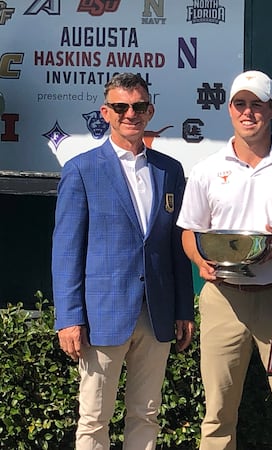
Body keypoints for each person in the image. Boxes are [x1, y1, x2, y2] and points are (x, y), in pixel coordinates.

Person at [177, 70, 272, 450]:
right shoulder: (207, 169)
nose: (248, 112)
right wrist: (201, 260)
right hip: (223, 298)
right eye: (240, 104)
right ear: (230, 109)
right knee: (216, 412)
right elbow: (189, 231)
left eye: (257, 104)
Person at [52, 72, 195, 450]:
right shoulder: (81, 170)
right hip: (102, 316)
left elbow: (175, 247)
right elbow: (66, 250)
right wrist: (68, 317)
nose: (130, 113)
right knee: (95, 417)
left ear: (150, 111)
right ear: (106, 112)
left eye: (139, 106)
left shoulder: (170, 171)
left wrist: (183, 308)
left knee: (146, 413)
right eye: (121, 106)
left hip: (157, 313)